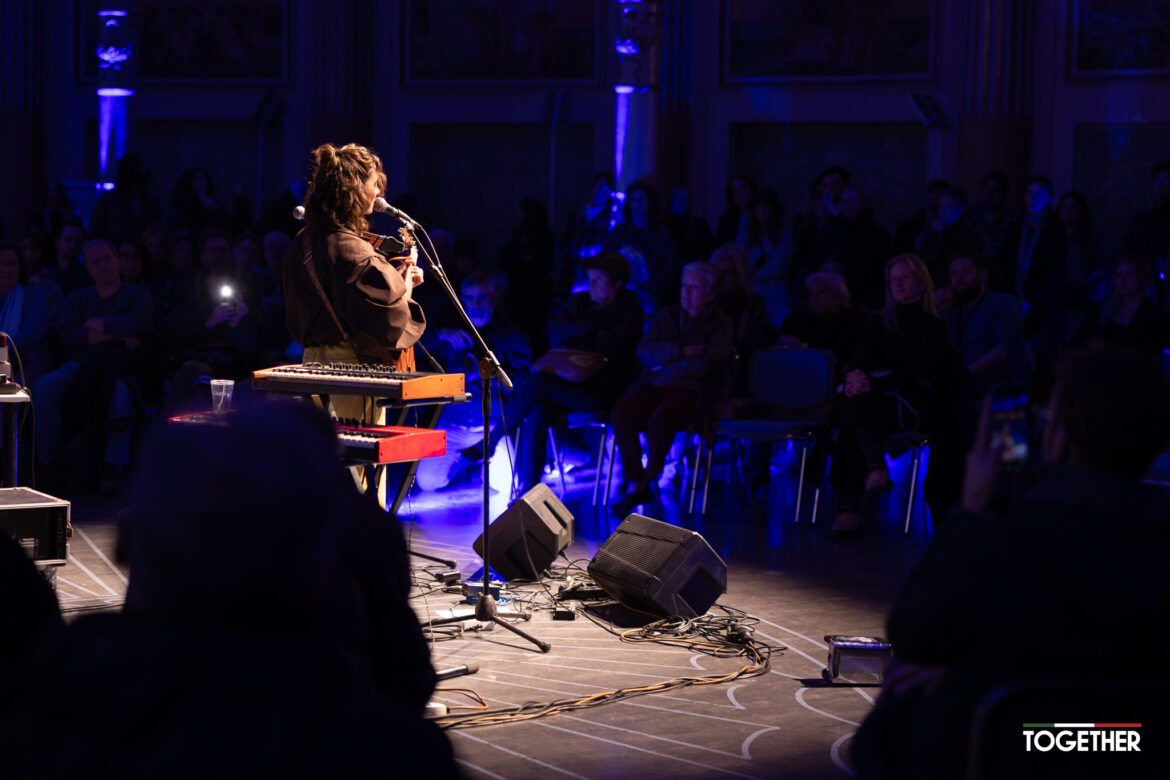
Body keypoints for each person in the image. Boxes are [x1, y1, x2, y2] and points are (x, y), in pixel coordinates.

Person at [0, 400, 458, 778]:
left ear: (126, 542)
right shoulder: (391, 751)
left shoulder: (58, 700)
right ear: (317, 552)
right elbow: (409, 675)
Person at [851, 345, 1170, 779]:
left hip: (1011, 747)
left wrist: (970, 512)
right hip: (1135, 746)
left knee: (897, 699)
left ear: (1059, 438)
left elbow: (912, 635)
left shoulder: (1002, 539)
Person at [462, 252, 644, 493]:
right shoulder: (583, 304)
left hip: (605, 390)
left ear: (617, 283)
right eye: (590, 278)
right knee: (538, 408)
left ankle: (489, 443)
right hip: (573, 383)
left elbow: (612, 348)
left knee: (540, 382)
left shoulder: (630, 312)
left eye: (598, 280)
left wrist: (583, 336)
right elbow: (555, 332)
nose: (591, 285)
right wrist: (591, 333)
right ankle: (528, 490)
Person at [284, 142, 426, 425]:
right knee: (355, 452)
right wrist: (406, 286)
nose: (379, 192)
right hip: (352, 377)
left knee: (319, 448)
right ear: (354, 189)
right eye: (374, 183)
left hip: (311, 370)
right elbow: (389, 320)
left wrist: (397, 282)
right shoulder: (353, 249)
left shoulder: (304, 240)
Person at [830, 254, 959, 535]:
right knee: (855, 402)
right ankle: (874, 470)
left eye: (905, 278)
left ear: (921, 283)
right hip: (875, 400)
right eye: (893, 279)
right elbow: (858, 359)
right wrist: (854, 377)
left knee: (854, 410)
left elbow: (918, 370)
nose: (898, 284)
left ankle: (851, 505)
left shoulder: (934, 327)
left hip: (914, 400)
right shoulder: (877, 321)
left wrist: (873, 383)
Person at [609, 261, 734, 514]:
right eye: (683, 286)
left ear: (710, 294)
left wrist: (665, 361)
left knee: (662, 418)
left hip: (696, 389)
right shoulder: (666, 316)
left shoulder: (720, 325)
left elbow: (709, 364)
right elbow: (644, 351)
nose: (686, 293)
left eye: (694, 288)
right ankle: (636, 479)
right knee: (622, 413)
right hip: (658, 383)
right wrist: (681, 351)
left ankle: (646, 478)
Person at [32, 239, 154, 492]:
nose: (102, 265)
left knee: (121, 391)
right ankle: (48, 463)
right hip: (80, 363)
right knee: (44, 388)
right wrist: (117, 335)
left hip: (120, 365)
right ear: (88, 268)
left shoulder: (137, 295)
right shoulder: (78, 298)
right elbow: (69, 334)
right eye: (95, 262)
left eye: (106, 258)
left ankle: (113, 465)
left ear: (116, 260)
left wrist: (96, 324)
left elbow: (139, 324)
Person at [416, 272, 531, 492]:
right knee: (428, 481)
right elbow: (412, 346)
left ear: (494, 297)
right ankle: (468, 467)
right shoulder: (452, 328)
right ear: (461, 300)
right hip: (452, 427)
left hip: (493, 428)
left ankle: (477, 463)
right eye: (469, 298)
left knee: (506, 485)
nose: (476, 305)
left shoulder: (510, 333)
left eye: (482, 297)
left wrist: (483, 373)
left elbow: (522, 381)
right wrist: (440, 334)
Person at [935, 252, 1028, 398]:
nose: (959, 279)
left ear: (983, 275)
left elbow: (1004, 349)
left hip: (994, 385)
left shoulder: (1003, 302)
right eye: (954, 274)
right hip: (959, 385)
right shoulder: (950, 310)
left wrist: (966, 373)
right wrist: (934, 305)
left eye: (966, 271)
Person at [1074, 256, 1170, 356]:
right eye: (1118, 275)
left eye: (1129, 274)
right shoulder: (1101, 311)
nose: (1122, 280)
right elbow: (1081, 341)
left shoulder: (1156, 316)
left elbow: (1152, 351)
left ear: (1142, 278)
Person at [0, 242, 52, 386]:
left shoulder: (35, 295)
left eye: (11, 263)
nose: (6, 269)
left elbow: (32, 333)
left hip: (27, 360)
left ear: (20, 267)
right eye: (1, 263)